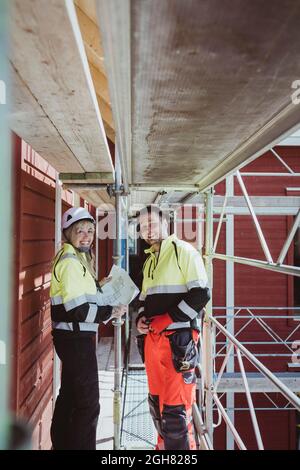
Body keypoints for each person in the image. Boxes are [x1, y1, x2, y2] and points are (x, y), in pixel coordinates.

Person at [50, 207, 126, 450]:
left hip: (72, 336)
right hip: (75, 338)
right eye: (79, 230)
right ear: (68, 232)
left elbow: (80, 297)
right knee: (89, 402)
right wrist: (111, 311)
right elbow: (79, 310)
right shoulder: (72, 262)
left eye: (90, 231)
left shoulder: (76, 258)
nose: (86, 235)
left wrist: (99, 286)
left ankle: (61, 444)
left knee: (71, 395)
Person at [136, 205, 210, 450]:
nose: (147, 228)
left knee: (176, 413)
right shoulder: (149, 262)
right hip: (153, 343)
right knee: (157, 408)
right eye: (143, 225)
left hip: (178, 343)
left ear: (165, 223)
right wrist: (140, 320)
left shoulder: (184, 252)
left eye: (152, 222)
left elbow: (201, 295)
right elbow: (144, 302)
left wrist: (168, 318)